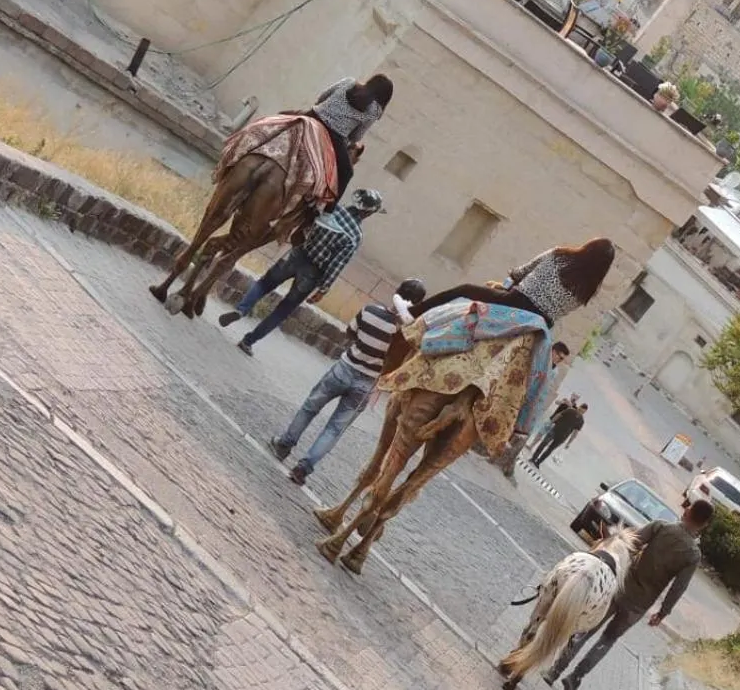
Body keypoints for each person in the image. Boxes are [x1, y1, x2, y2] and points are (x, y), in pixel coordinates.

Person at [544, 500, 714, 690]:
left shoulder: (660, 526)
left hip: (619, 585)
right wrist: (663, 612)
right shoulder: (692, 555)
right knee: (607, 640)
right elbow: (679, 587)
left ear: (687, 511)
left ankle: (554, 671)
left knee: (587, 628)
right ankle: (575, 679)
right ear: (704, 525)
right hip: (640, 603)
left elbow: (629, 543)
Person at [272, 277, 428, 485]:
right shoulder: (407, 335)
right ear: (418, 304)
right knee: (335, 429)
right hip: (367, 384)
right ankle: (303, 468)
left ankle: (284, 444)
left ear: (397, 292)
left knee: (310, 407)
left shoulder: (370, 311)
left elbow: (350, 332)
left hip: (345, 368)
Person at [218, 188, 383, 355]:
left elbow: (308, 221)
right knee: (283, 310)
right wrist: (323, 289)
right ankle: (248, 341)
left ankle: (241, 309)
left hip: (297, 255)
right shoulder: (355, 236)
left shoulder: (331, 208)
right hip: (312, 273)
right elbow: (336, 265)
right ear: (368, 214)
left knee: (264, 284)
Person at [410, 238, 615, 327]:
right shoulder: (587, 290)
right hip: (538, 326)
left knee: (463, 290)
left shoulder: (558, 254)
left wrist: (513, 281)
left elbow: (520, 273)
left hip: (515, 303)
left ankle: (411, 314)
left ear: (588, 247)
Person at [310, 75, 392, 203]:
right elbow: (356, 136)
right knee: (347, 172)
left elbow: (322, 97)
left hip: (312, 115)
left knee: (283, 117)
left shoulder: (349, 82)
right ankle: (327, 212)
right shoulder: (375, 109)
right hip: (333, 135)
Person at [530, 402, 586, 467]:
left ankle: (538, 462)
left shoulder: (581, 421)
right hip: (554, 430)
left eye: (582, 412)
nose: (580, 412)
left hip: (562, 437)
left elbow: (575, 433)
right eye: (580, 410)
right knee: (543, 444)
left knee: (550, 450)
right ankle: (533, 458)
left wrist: (569, 443)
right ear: (579, 407)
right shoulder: (570, 410)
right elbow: (558, 415)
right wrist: (551, 422)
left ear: (584, 412)